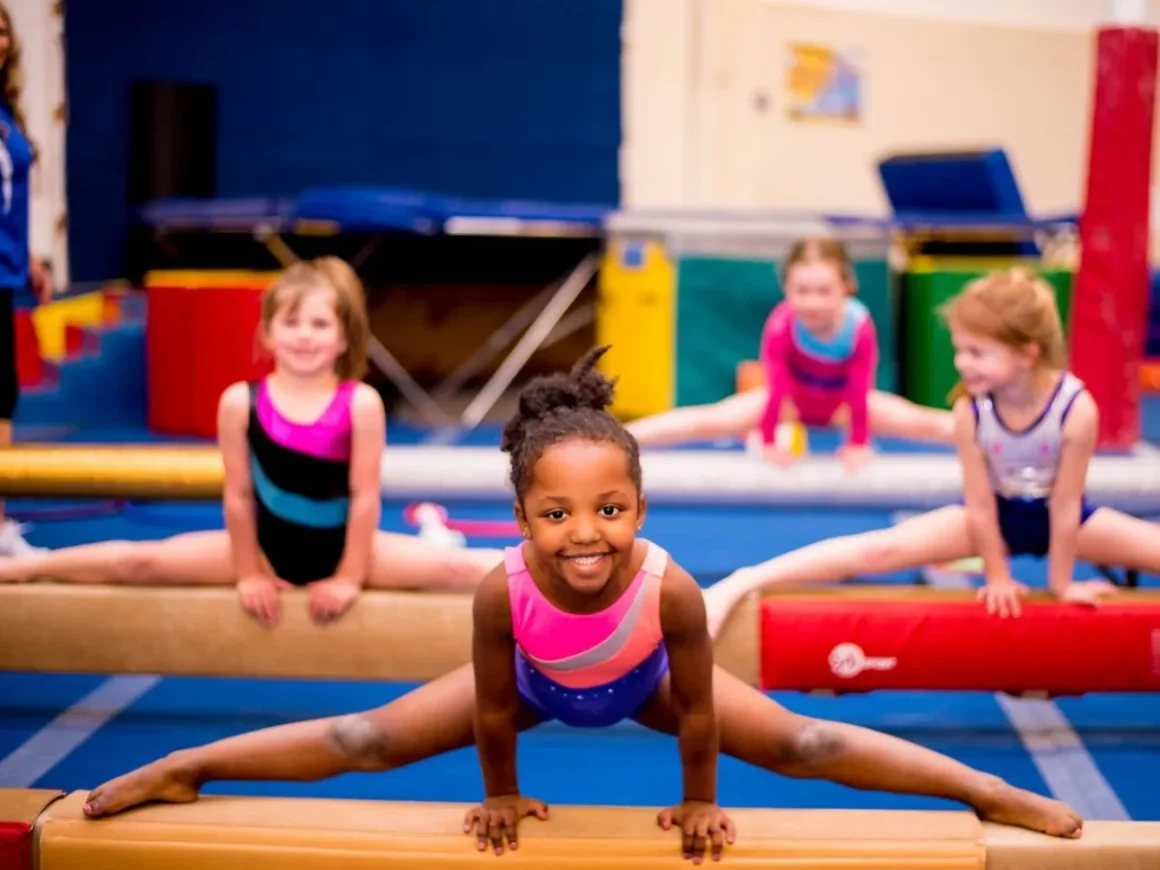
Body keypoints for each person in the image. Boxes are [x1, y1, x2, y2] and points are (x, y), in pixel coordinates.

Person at [80, 346, 1081, 862]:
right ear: (520, 516)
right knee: (360, 738)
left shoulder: (669, 588)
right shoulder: (497, 590)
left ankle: (982, 790)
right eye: (555, 513)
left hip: (642, 681)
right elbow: (484, 706)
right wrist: (500, 793)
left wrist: (699, 803)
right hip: (528, 680)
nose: (585, 532)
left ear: (638, 506)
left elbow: (695, 709)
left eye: (608, 509)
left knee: (808, 744)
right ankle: (184, 765)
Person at [0, 257, 504, 625]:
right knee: (140, 560)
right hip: (263, 549)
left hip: (351, 551)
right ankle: (23, 570)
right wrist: (248, 573)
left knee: (457, 568)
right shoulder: (241, 403)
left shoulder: (360, 404)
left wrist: (349, 577)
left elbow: (365, 497)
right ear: (266, 333)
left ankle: (567, 575)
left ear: (344, 338)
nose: (305, 336)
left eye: (319, 323)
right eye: (291, 322)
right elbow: (239, 496)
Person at [702, 269, 1125, 638]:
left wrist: (1061, 584)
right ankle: (743, 581)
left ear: (1027, 353)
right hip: (988, 516)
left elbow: (1068, 504)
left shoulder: (1076, 409)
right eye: (959, 350)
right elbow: (979, 504)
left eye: (976, 353)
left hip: (1065, 516)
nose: (962, 364)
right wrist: (998, 576)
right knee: (877, 552)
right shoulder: (970, 410)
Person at [626, 237, 954, 471]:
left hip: (843, 403)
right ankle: (618, 438)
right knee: (712, 418)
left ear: (847, 288)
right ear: (786, 289)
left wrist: (857, 442)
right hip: (790, 402)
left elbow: (858, 386)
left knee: (921, 421)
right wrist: (768, 440)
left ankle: (991, 436)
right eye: (802, 291)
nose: (812, 302)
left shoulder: (859, 327)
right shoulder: (782, 325)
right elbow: (778, 384)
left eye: (824, 291)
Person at [0, 2, 54, 556]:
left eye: (0, 32)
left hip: (7, 270)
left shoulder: (5, 110)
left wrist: (31, 256)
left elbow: (6, 199)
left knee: (3, 395)